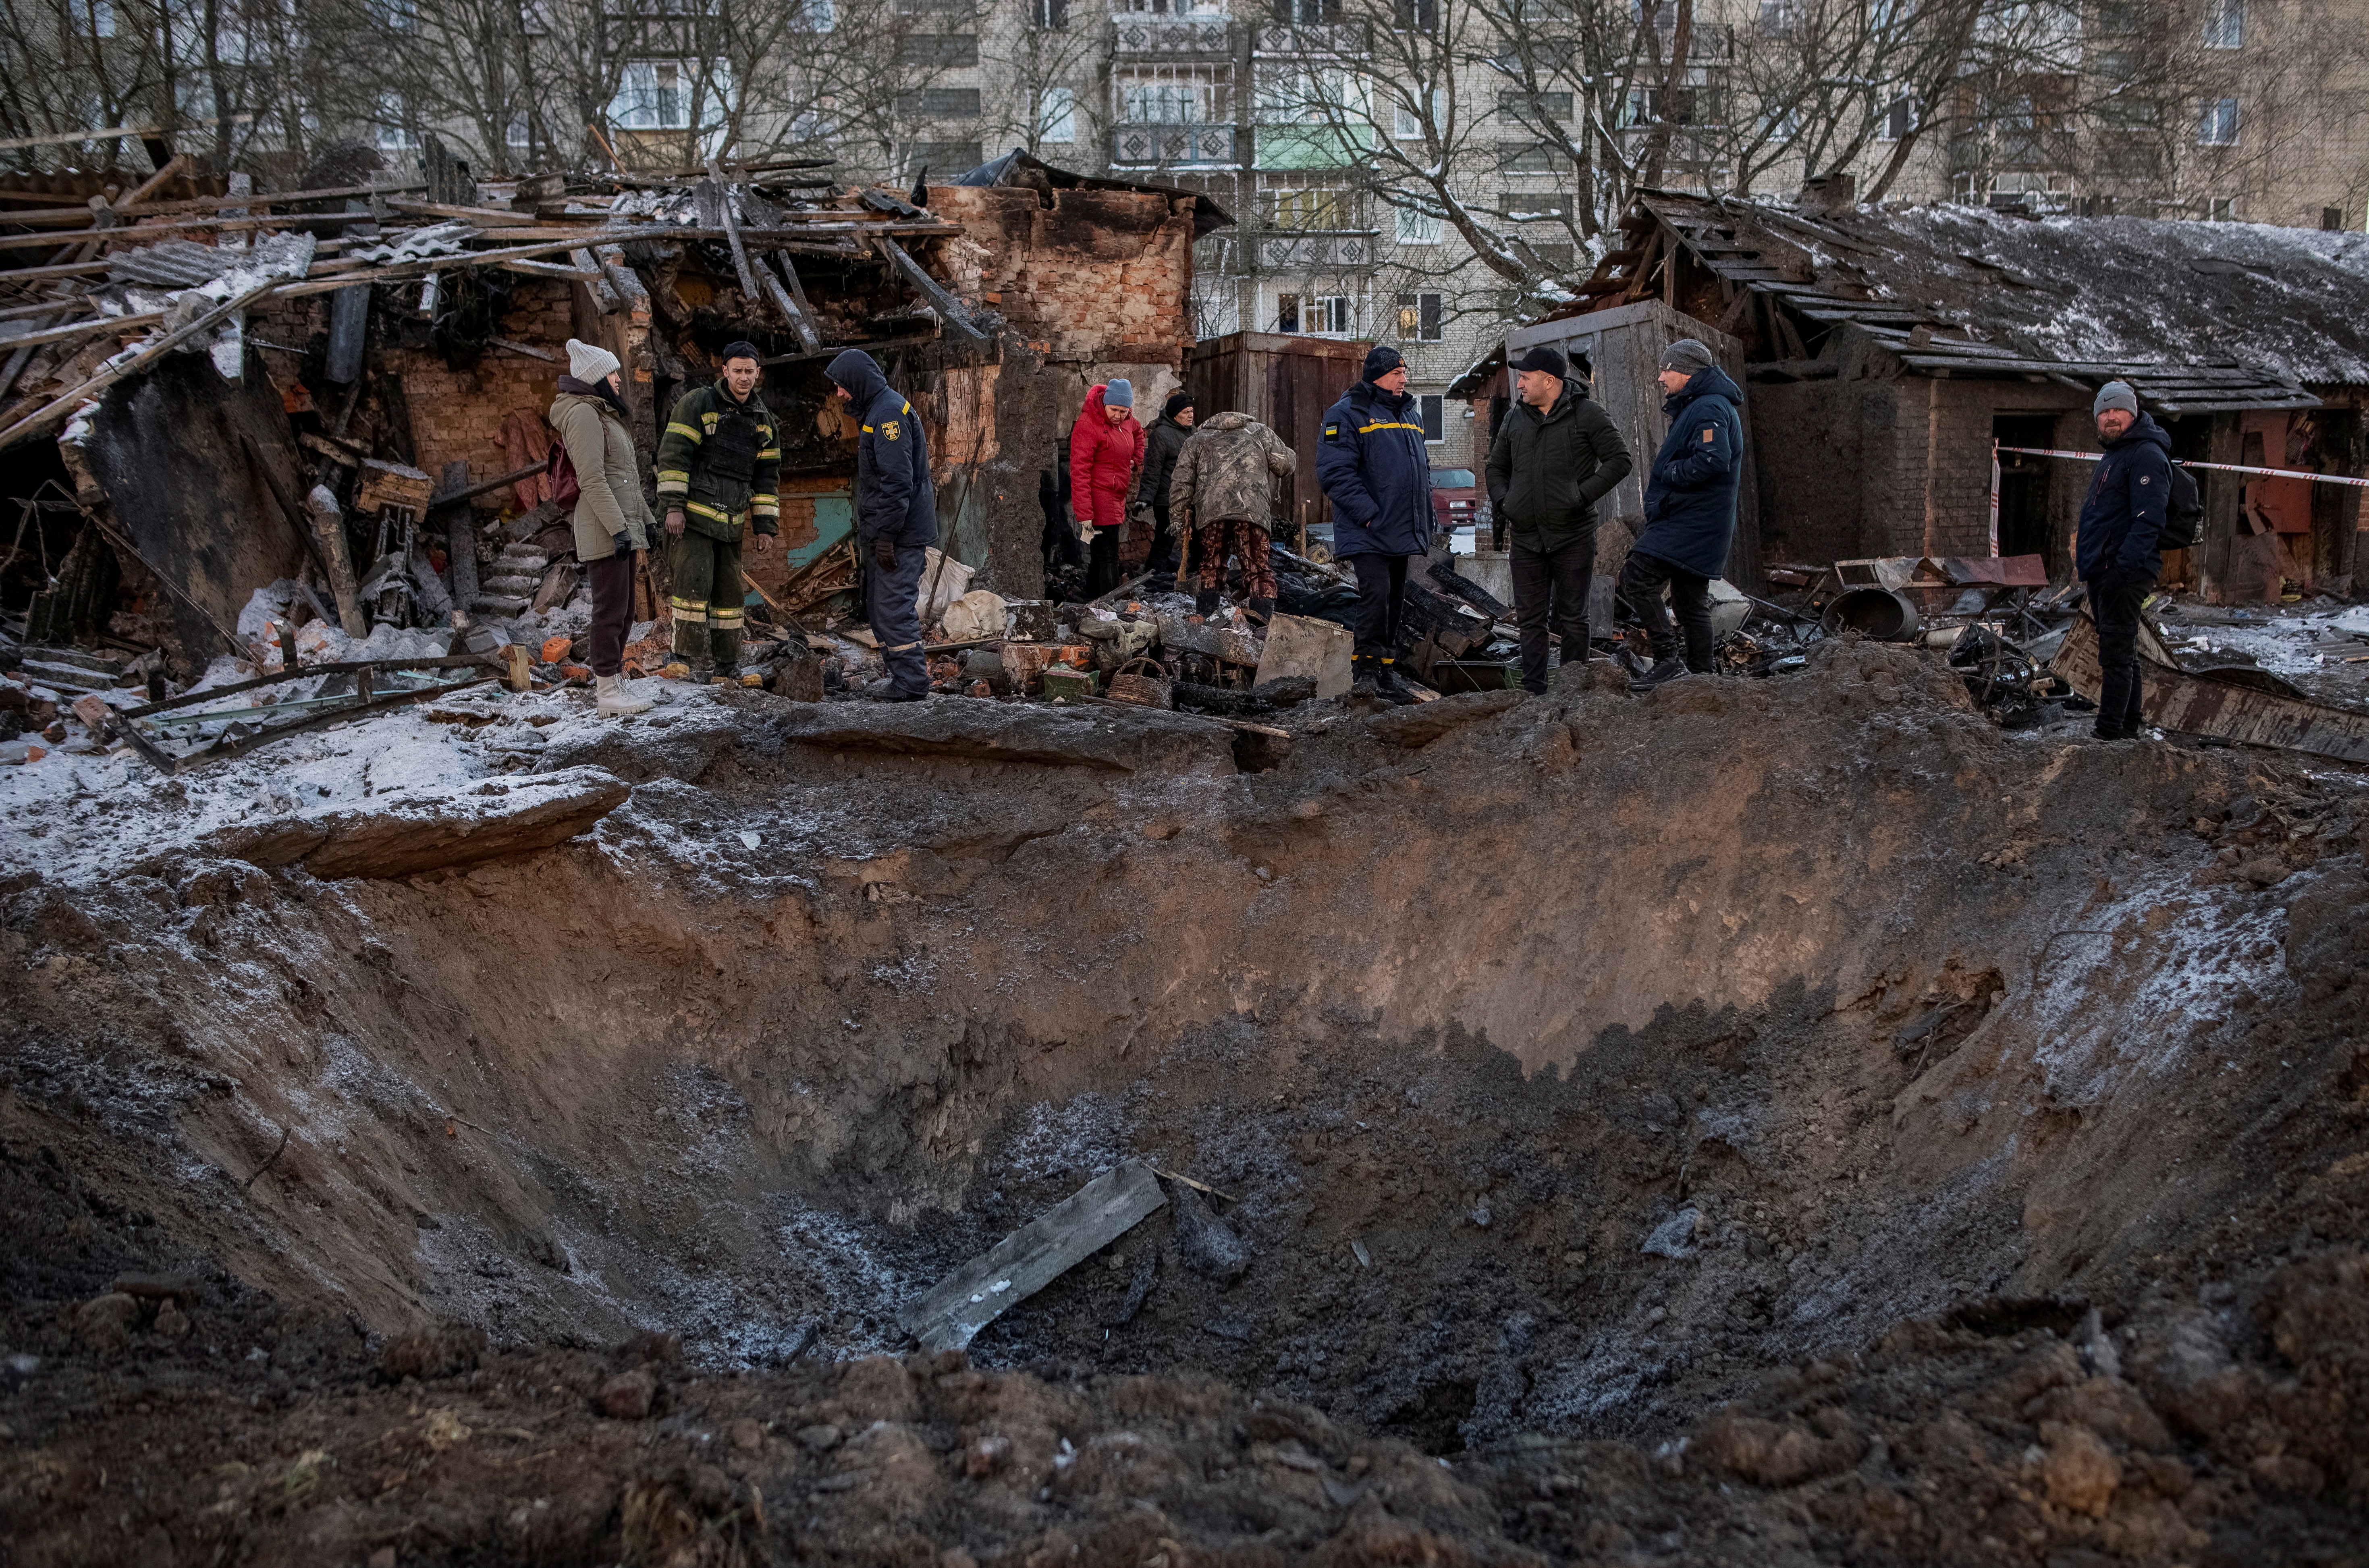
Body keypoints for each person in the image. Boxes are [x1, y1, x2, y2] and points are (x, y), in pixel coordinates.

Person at [1483, 344, 1633, 696]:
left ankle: (1571, 691)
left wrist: (1579, 497)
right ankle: (1534, 694)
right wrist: (1506, 502)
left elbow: (1619, 460)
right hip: (1526, 538)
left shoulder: (1588, 414)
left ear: (1549, 381)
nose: (1519, 385)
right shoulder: (1514, 418)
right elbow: (1495, 466)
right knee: (1530, 620)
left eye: (1525, 377)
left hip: (1572, 536)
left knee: (1573, 618)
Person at [1620, 338, 1744, 693]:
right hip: (1703, 522)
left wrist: (1669, 474)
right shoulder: (1703, 405)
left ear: (1687, 372)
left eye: (1666, 369)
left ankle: (1667, 661)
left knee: (1636, 577)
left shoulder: (1708, 408)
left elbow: (1712, 460)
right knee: (1691, 600)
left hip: (1691, 521)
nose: (1661, 378)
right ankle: (1700, 677)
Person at [654, 341, 779, 685]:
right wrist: (674, 507)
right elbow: (674, 456)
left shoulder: (763, 421)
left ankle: (728, 665)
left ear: (758, 373)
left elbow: (766, 477)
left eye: (749, 372)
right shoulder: (697, 403)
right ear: (724, 371)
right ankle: (682, 658)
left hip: (732, 525)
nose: (743, 378)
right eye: (736, 371)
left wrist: (765, 526)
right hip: (692, 520)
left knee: (729, 598)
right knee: (692, 587)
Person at [1315, 345, 1433, 703]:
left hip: (1400, 525)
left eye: (1404, 372)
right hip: (1367, 527)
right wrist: (1369, 514)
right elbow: (1334, 473)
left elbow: (1417, 469)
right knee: (1376, 596)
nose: (1403, 379)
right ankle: (1365, 675)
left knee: (1395, 601)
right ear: (1376, 376)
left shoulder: (1409, 414)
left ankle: (1385, 672)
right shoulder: (1347, 413)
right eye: (1397, 373)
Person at [552, 339, 656, 718]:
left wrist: (647, 522)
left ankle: (614, 684)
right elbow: (593, 480)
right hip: (603, 529)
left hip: (620, 526)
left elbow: (626, 478)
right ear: (596, 377)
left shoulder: (604, 414)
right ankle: (607, 693)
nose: (617, 380)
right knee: (609, 612)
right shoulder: (582, 415)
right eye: (612, 374)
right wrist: (617, 530)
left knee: (625, 612)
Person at [828, 346, 938, 701]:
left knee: (892, 610)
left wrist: (888, 536)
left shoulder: (888, 413)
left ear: (857, 382)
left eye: (842, 386)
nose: (839, 394)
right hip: (890, 531)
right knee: (879, 610)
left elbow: (896, 482)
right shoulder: (878, 410)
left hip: (901, 534)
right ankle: (901, 679)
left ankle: (911, 684)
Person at [2076, 380, 2170, 740]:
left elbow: (2149, 519)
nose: (2111, 418)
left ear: (2133, 413)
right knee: (2123, 652)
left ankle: (2108, 733)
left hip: (2123, 572)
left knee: (2115, 657)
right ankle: (2127, 728)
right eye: (2105, 411)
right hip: (2105, 570)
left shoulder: (2145, 454)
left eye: (2118, 410)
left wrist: (2122, 569)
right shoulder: (2115, 454)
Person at [1170, 407, 1294, 622]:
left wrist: (1178, 519)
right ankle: (1261, 625)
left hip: (1211, 513)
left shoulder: (1197, 439)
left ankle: (1207, 621)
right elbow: (1284, 465)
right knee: (1258, 569)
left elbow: (1181, 482)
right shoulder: (1259, 432)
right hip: (1252, 512)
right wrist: (1290, 453)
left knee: (1211, 567)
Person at [1070, 379, 1144, 598]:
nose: (1119, 416)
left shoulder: (1128, 421)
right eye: (1114, 410)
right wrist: (1084, 514)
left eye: (1124, 411)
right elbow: (1079, 470)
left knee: (1100, 554)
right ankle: (1112, 605)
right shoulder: (1088, 424)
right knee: (1109, 555)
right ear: (1105, 404)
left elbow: (1139, 435)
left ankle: (1092, 598)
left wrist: (1136, 459)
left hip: (1117, 495)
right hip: (1098, 497)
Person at [1140, 390, 1196, 575]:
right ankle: (1153, 578)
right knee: (1165, 542)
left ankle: (1196, 576)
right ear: (1175, 414)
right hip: (1168, 499)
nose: (1191, 416)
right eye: (1186, 412)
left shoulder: (1193, 433)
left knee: (1196, 540)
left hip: (1190, 498)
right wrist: (1145, 498)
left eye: (1191, 412)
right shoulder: (1161, 435)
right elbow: (1153, 469)